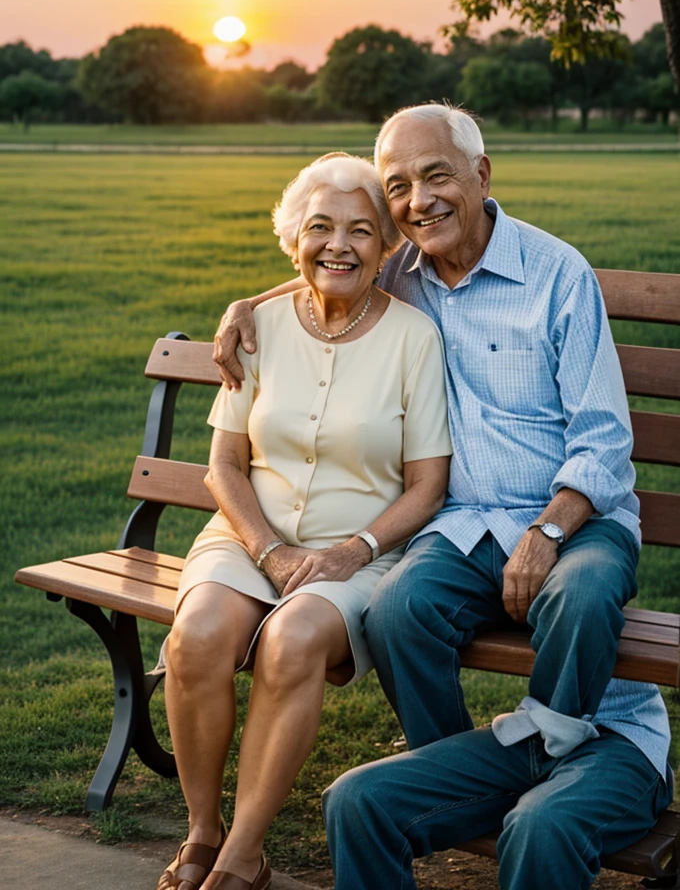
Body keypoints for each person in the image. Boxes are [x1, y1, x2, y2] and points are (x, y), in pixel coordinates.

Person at [214, 104, 641, 757]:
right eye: (398, 187)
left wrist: (547, 531)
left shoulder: (557, 275)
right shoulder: (399, 272)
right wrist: (247, 306)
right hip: (464, 523)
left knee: (580, 598)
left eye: (436, 176)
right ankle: (451, 776)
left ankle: (552, 760)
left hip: (576, 518)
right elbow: (326, 267)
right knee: (395, 615)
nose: (419, 202)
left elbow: (604, 438)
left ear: (482, 175)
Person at [157, 152, 452, 890]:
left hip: (361, 555)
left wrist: (355, 550)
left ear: (387, 248)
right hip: (247, 538)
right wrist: (267, 548)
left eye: (361, 231)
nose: (338, 246)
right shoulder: (255, 325)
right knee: (195, 638)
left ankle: (243, 855)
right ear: (294, 241)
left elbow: (428, 486)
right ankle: (202, 829)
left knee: (291, 643)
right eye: (319, 228)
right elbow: (223, 467)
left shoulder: (414, 339)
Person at [322, 678, 673, 890]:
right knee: (356, 798)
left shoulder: (591, 557)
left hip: (625, 740)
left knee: (541, 825)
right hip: (533, 729)